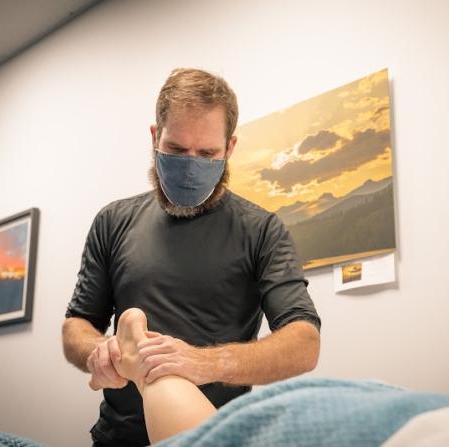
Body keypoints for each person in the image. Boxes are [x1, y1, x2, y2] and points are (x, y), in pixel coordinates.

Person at [61, 68, 322, 446]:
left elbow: (304, 343)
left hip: (212, 435)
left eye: (207, 153)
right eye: (177, 150)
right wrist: (100, 352)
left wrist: (207, 363)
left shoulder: (262, 230)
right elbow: (76, 326)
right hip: (116, 438)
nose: (190, 164)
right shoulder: (113, 221)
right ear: (155, 137)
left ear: (230, 148)